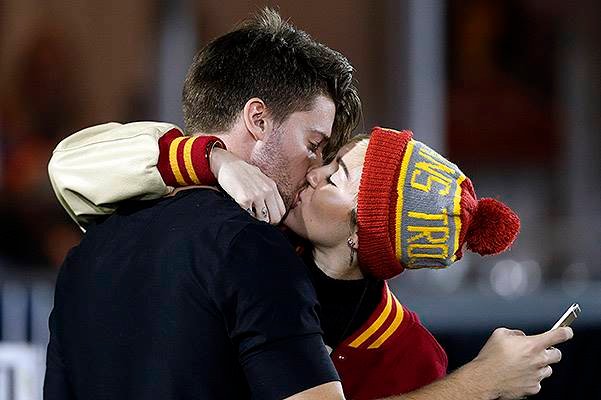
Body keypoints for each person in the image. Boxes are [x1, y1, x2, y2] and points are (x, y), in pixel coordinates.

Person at [49, 122, 572, 399]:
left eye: (338, 174)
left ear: (361, 235)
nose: (315, 173)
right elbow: (73, 163)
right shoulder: (243, 240)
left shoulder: (410, 356)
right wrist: (215, 158)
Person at [44, 9, 361, 400]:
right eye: (313, 145)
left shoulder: (88, 254)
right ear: (258, 119)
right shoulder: (253, 249)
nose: (315, 169)